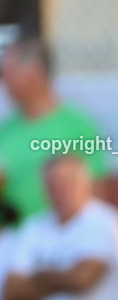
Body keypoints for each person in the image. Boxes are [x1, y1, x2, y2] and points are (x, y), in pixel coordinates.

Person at [0, 154, 118, 300]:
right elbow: (12, 291)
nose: (60, 189)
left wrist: (38, 276)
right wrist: (65, 276)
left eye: (68, 182)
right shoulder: (33, 227)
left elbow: (83, 279)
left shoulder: (105, 221)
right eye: (53, 183)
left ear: (87, 184)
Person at [0, 35, 108, 223]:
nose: (4, 79)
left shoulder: (76, 126)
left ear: (35, 73)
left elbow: (98, 189)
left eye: (9, 70)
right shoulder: (5, 131)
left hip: (61, 245)